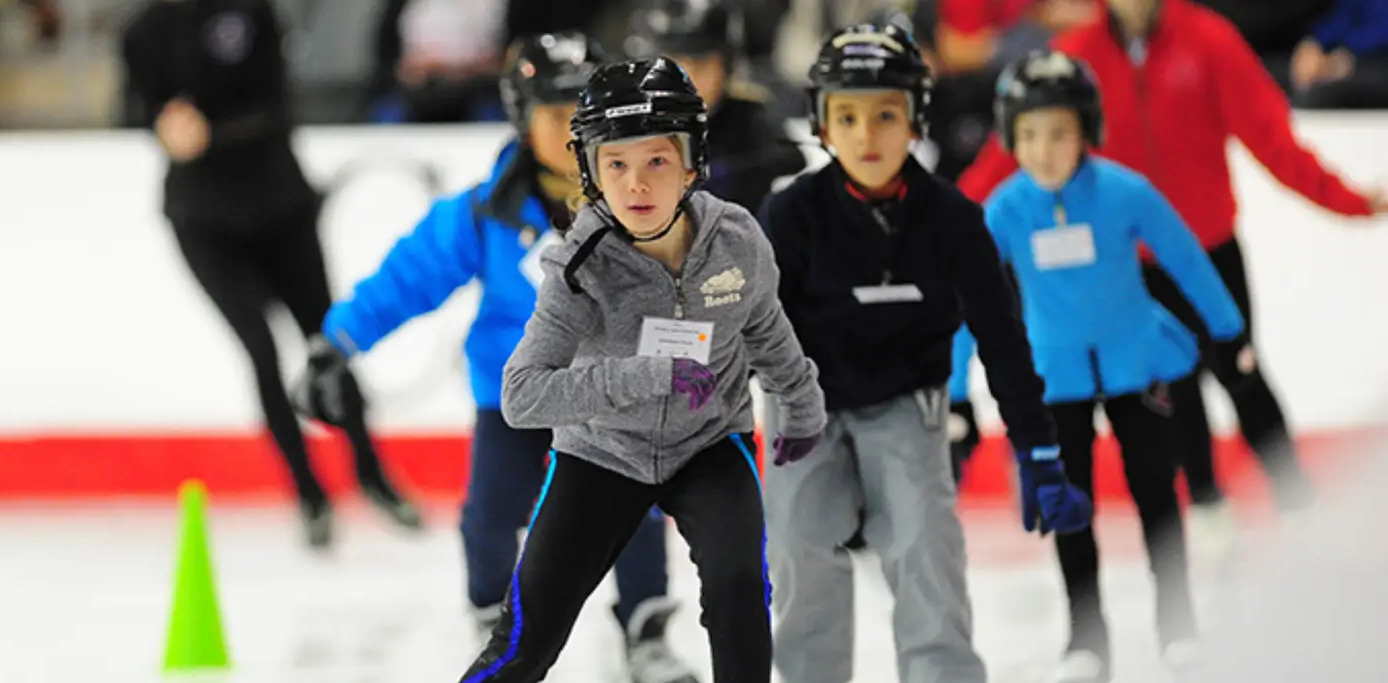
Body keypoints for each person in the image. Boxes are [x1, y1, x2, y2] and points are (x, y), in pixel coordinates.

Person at [302, 32, 697, 682]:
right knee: (488, 517)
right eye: (552, 114)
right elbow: (413, 274)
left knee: (637, 509)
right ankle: (495, 628)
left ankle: (645, 630)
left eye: (582, 112)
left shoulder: (642, 201)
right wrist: (337, 340)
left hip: (613, 395)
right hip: (513, 396)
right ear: (520, 116)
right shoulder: (486, 210)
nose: (570, 131)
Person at [956, 0, 1388, 548]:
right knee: (1172, 392)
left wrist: (1348, 200)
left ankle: (1298, 502)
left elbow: (1273, 139)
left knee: (1243, 372)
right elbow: (1004, 161)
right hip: (1124, 268)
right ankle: (1208, 509)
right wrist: (929, 224)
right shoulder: (1075, 57)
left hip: (1206, 251)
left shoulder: (1209, 41)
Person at [463, 56, 828, 683]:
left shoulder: (736, 239)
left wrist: (802, 401)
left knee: (742, 593)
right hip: (601, 455)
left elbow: (764, 326)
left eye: (656, 160)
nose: (636, 184)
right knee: (528, 637)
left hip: (712, 444)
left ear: (692, 162)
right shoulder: (578, 265)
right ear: (592, 172)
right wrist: (646, 374)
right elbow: (522, 396)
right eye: (616, 164)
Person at [757, 24, 1093, 683]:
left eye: (886, 115)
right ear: (822, 126)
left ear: (916, 121)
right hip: (804, 407)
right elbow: (753, 326)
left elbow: (1003, 338)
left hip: (909, 402)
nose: (867, 135)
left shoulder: (954, 219)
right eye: (847, 117)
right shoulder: (789, 213)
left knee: (923, 543)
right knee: (799, 546)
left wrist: (1039, 446)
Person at [953, 49, 1244, 681]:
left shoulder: (1124, 192)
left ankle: (1178, 626)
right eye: (1028, 135)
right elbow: (971, 300)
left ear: (1086, 129)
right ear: (1009, 137)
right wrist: (955, 387)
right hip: (1055, 381)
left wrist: (1228, 331)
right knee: (1070, 511)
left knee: (1156, 499)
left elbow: (1188, 260)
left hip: (1139, 368)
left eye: (1058, 132)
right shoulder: (1005, 209)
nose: (1044, 149)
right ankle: (1086, 642)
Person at [120, 0, 421, 549]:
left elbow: (276, 96)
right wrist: (164, 123)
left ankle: (372, 473)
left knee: (328, 339)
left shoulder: (247, 12)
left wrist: (206, 127)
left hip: (280, 209)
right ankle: (309, 494)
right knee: (260, 349)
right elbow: (136, 105)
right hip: (205, 221)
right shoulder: (145, 29)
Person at [621, 0, 808, 213]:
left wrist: (722, 177)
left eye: (702, 65)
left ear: (727, 66)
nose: (689, 80)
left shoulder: (748, 117)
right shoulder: (628, 126)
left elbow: (792, 160)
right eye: (673, 67)